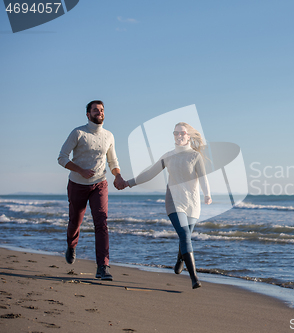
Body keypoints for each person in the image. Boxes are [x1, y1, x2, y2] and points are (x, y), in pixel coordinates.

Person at [124, 122, 211, 289]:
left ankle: (180, 258)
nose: (179, 136)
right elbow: (150, 173)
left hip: (192, 202)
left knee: (185, 236)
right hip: (174, 201)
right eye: (176, 133)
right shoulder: (168, 156)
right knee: (185, 234)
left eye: (182, 133)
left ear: (188, 136)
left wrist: (207, 194)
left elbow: (203, 177)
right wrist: (129, 183)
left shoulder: (195, 156)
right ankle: (194, 277)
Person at [58, 100, 127, 281]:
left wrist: (117, 175)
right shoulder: (78, 133)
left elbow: (113, 161)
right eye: (96, 110)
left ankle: (103, 267)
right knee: (75, 220)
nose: (100, 112)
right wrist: (80, 170)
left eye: (102, 110)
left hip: (100, 184)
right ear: (88, 114)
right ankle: (72, 245)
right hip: (77, 184)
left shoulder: (109, 135)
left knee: (101, 222)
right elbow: (62, 157)